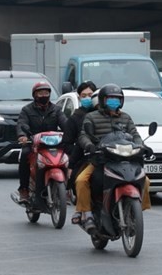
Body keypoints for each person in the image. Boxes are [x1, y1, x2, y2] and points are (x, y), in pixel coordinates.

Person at [75, 83, 152, 234]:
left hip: (125, 159)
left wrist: (141, 146)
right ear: (103, 100)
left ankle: (135, 210)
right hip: (101, 159)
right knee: (81, 180)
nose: (113, 101)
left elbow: (135, 134)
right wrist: (90, 146)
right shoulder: (92, 117)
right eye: (110, 98)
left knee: (146, 180)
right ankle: (87, 213)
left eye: (117, 99)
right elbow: (83, 135)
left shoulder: (125, 117)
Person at [16, 81, 66, 202]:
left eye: (46, 92)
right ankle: (24, 189)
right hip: (33, 143)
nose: (43, 95)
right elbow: (21, 124)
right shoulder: (27, 110)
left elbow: (65, 124)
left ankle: (68, 189)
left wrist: (71, 134)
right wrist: (23, 136)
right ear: (34, 95)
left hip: (54, 144)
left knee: (70, 156)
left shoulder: (56, 110)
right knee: (24, 156)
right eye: (40, 93)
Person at [60, 81, 97, 223]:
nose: (88, 97)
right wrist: (81, 149)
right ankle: (84, 211)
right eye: (84, 95)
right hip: (83, 157)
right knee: (81, 180)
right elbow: (67, 144)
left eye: (91, 95)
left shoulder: (103, 114)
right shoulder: (75, 118)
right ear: (79, 97)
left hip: (106, 155)